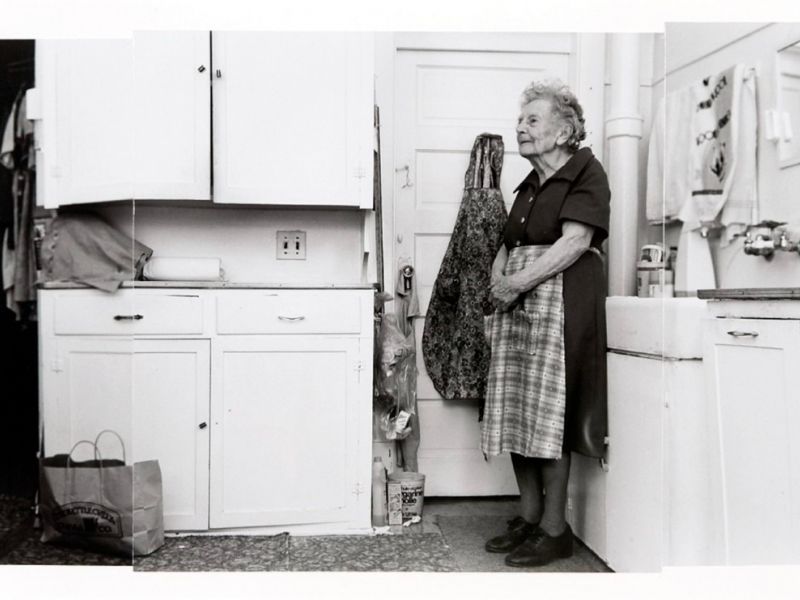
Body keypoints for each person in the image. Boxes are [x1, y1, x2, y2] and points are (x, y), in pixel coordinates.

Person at [481, 79, 610, 568]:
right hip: (519, 304)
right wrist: (500, 274)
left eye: (532, 120)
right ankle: (531, 518)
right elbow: (510, 240)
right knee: (517, 408)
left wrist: (517, 283)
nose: (521, 128)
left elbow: (575, 243)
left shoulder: (586, 172)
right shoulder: (530, 182)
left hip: (558, 301)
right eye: (520, 121)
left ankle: (556, 530)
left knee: (548, 415)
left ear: (564, 130)